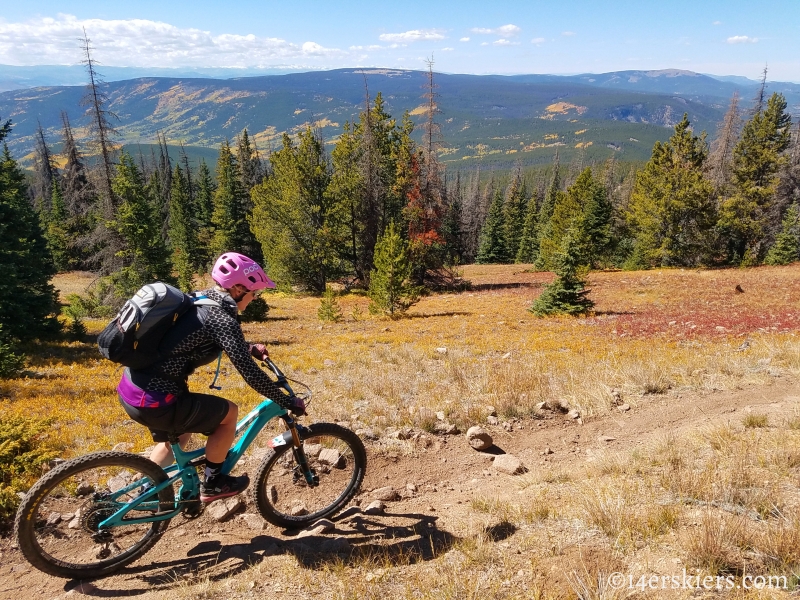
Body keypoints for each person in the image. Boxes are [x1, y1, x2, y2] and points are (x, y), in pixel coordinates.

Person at [116, 252, 305, 502]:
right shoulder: (223, 318)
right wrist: (285, 401)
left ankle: (148, 493)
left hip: (133, 388)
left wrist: (246, 346)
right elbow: (248, 372)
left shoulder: (201, 297)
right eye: (254, 293)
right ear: (238, 288)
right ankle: (214, 484)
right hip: (156, 399)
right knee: (229, 414)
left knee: (181, 435)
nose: (255, 298)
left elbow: (194, 336)